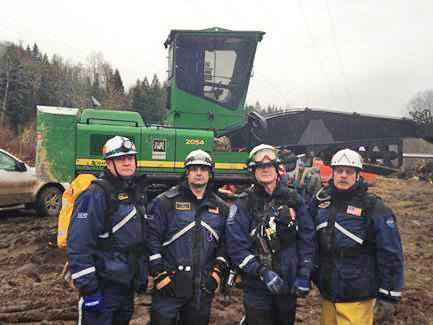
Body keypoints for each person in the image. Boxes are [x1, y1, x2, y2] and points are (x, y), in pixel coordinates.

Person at [310, 148, 404, 325]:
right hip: (328, 291)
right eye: (339, 170)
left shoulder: (374, 207)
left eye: (349, 171)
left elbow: (390, 251)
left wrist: (389, 294)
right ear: (333, 172)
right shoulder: (320, 203)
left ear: (358, 175)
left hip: (358, 293)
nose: (343, 175)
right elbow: (308, 239)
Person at [226, 144, 316, 325]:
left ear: (277, 169)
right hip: (256, 286)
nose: (265, 169)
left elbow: (308, 238)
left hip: (287, 285)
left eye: (269, 166)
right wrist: (261, 272)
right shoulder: (244, 204)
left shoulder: (294, 199)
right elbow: (236, 247)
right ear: (253, 171)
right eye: (260, 167)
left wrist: (304, 273)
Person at [67, 136, 149, 324]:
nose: (128, 163)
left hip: (126, 286)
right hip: (102, 287)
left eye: (131, 158)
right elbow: (79, 244)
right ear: (109, 163)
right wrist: (89, 289)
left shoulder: (136, 193)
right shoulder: (94, 194)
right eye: (121, 159)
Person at [146, 149, 230, 325]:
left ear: (210, 173)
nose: (199, 173)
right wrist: (159, 274)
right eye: (194, 168)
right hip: (169, 286)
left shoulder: (221, 207)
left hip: (202, 289)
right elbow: (151, 238)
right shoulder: (165, 202)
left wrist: (216, 274)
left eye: (203, 169)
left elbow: (225, 243)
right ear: (187, 172)